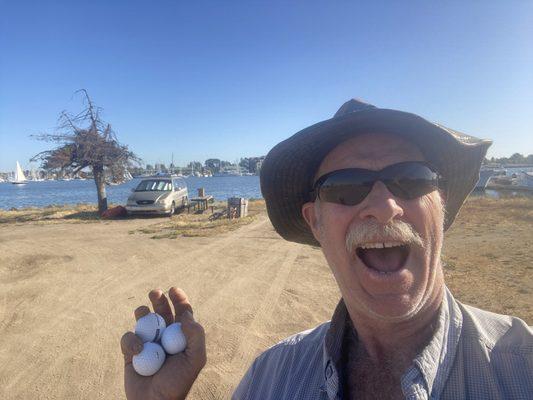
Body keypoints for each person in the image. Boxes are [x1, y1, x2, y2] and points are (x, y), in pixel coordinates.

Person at [121, 99, 533, 399]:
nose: (384, 206)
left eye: (411, 179)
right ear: (315, 222)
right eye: (346, 187)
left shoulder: (522, 369)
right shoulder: (270, 381)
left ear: (439, 203)